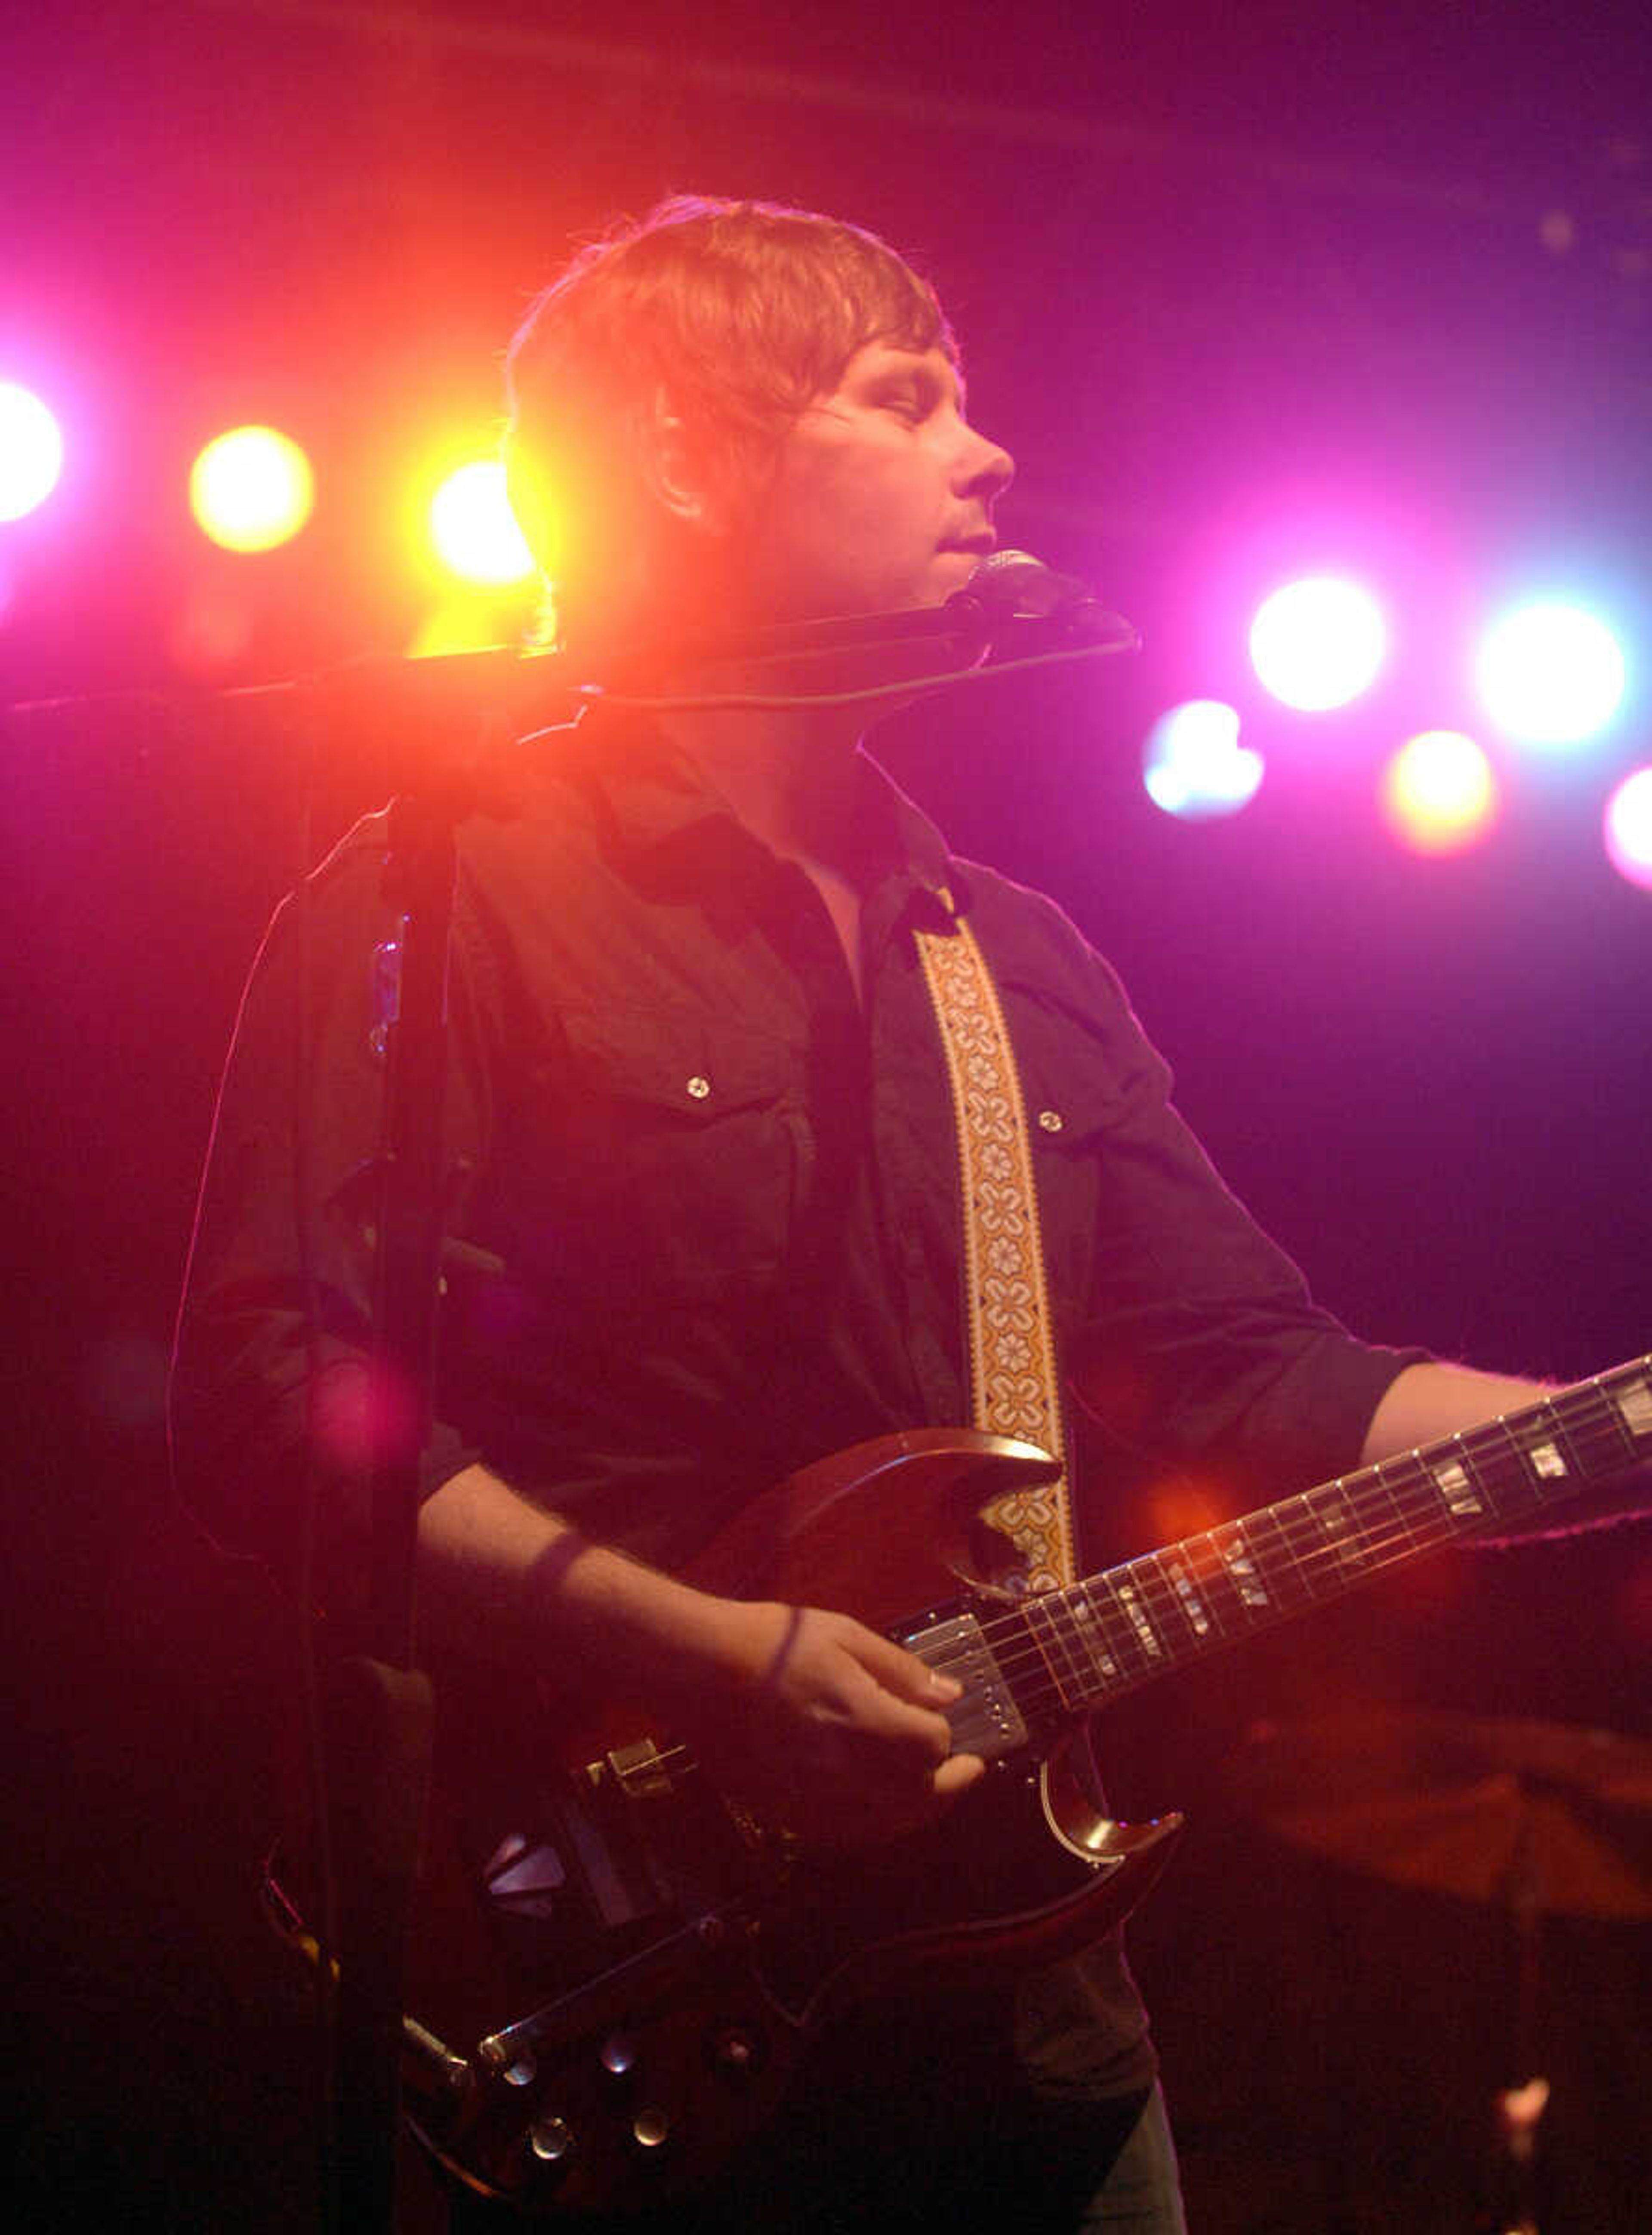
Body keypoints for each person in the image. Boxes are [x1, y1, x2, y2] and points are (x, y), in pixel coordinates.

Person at [170, 197, 1612, 2232]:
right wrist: (713, 1660)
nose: (991, 452)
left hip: (1031, 2027)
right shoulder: (447, 884)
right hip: (619, 1980)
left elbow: (1263, 1380)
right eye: (907, 397)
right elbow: (268, 1395)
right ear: (682, 453)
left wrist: (1605, 1420)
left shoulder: (1005, 957)